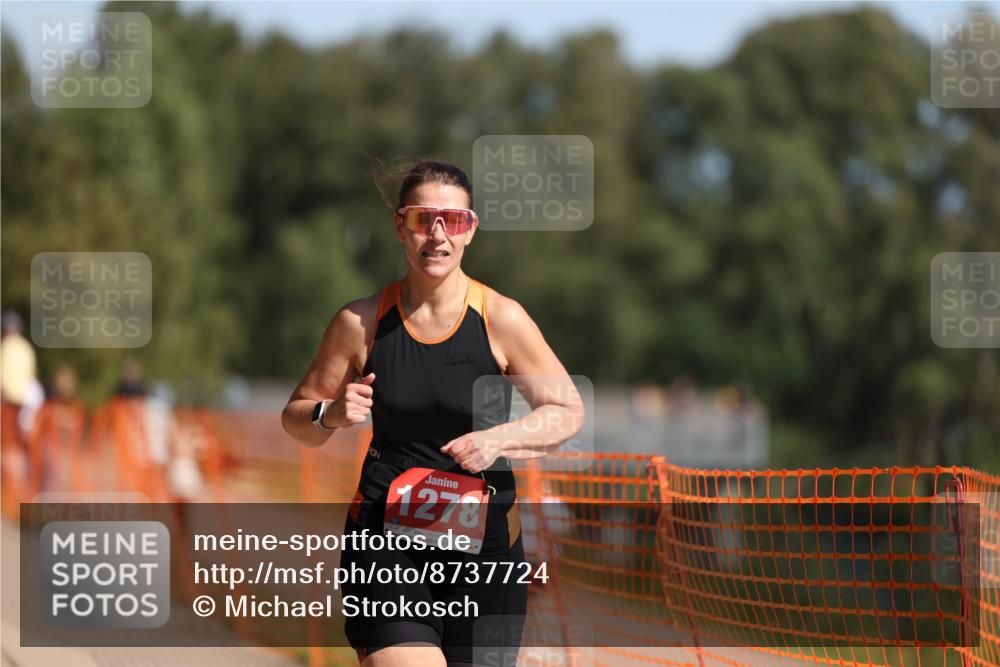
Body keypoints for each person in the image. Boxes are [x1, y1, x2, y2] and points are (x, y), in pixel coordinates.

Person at [282, 160, 584, 667]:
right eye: (424, 220)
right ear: (401, 226)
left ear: (471, 230)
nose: (438, 236)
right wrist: (329, 414)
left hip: (485, 549)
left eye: (454, 221)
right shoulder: (360, 323)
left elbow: (566, 410)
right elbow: (296, 418)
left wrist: (500, 439)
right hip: (386, 541)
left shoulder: (500, 318)